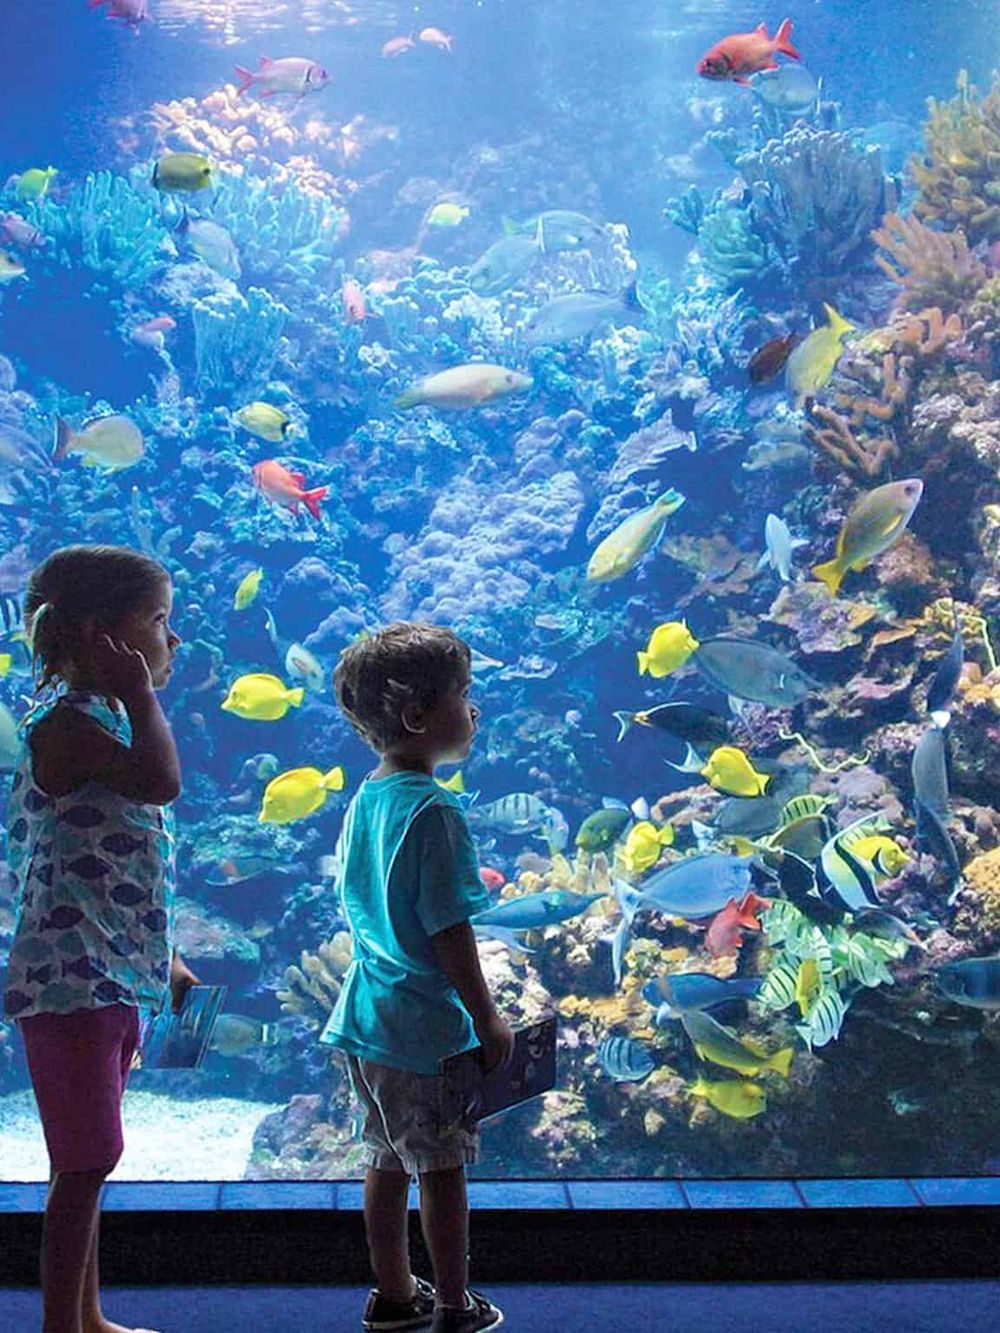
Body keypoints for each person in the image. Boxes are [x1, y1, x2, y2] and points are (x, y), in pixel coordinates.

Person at [2, 544, 198, 1333]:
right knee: (87, 1162)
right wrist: (144, 698)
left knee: (83, 1160)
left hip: (109, 973)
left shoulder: (98, 721)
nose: (172, 640)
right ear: (99, 635)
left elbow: (121, 862)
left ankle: (85, 1316)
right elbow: (159, 784)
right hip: (72, 982)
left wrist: (167, 955)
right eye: (158, 621)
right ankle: (61, 1327)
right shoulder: (68, 727)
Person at [326, 622, 515, 1333]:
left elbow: (359, 904)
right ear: (416, 716)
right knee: (441, 1168)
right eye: (464, 695)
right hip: (424, 1029)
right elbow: (450, 931)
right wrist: (488, 1017)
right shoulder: (436, 810)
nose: (475, 708)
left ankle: (395, 1293)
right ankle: (457, 1305)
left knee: (383, 1157)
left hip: (366, 1015)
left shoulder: (365, 799)